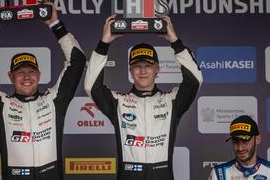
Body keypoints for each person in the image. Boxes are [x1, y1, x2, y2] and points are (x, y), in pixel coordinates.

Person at [0, 2, 86, 180]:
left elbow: (77, 61)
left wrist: (56, 24)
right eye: (20, 72)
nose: (26, 77)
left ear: (39, 75)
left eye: (31, 71)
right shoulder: (1, 105)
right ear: (10, 76)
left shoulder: (54, 101)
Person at [84, 15, 203, 180]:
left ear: (157, 69)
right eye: (137, 66)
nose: (143, 71)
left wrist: (175, 41)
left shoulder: (172, 101)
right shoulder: (118, 102)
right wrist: (104, 44)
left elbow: (195, 79)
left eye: (148, 65)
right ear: (130, 70)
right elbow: (91, 86)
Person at [208, 115, 270, 179]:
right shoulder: (219, 173)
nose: (240, 148)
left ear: (258, 139)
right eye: (235, 141)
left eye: (245, 141)